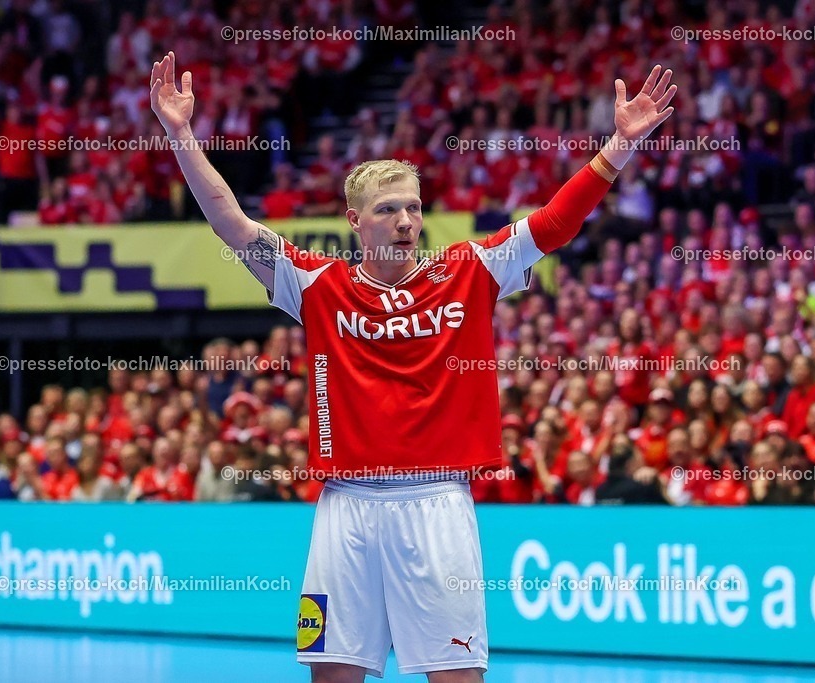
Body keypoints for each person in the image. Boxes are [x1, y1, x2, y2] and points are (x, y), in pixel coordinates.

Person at [150, 51, 676, 682]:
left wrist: (617, 148)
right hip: (343, 507)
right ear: (354, 221)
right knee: (333, 676)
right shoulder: (315, 283)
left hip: (436, 504)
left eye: (413, 208)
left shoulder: (469, 270)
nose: (405, 221)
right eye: (387, 210)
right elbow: (232, 225)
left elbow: (553, 225)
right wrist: (181, 136)